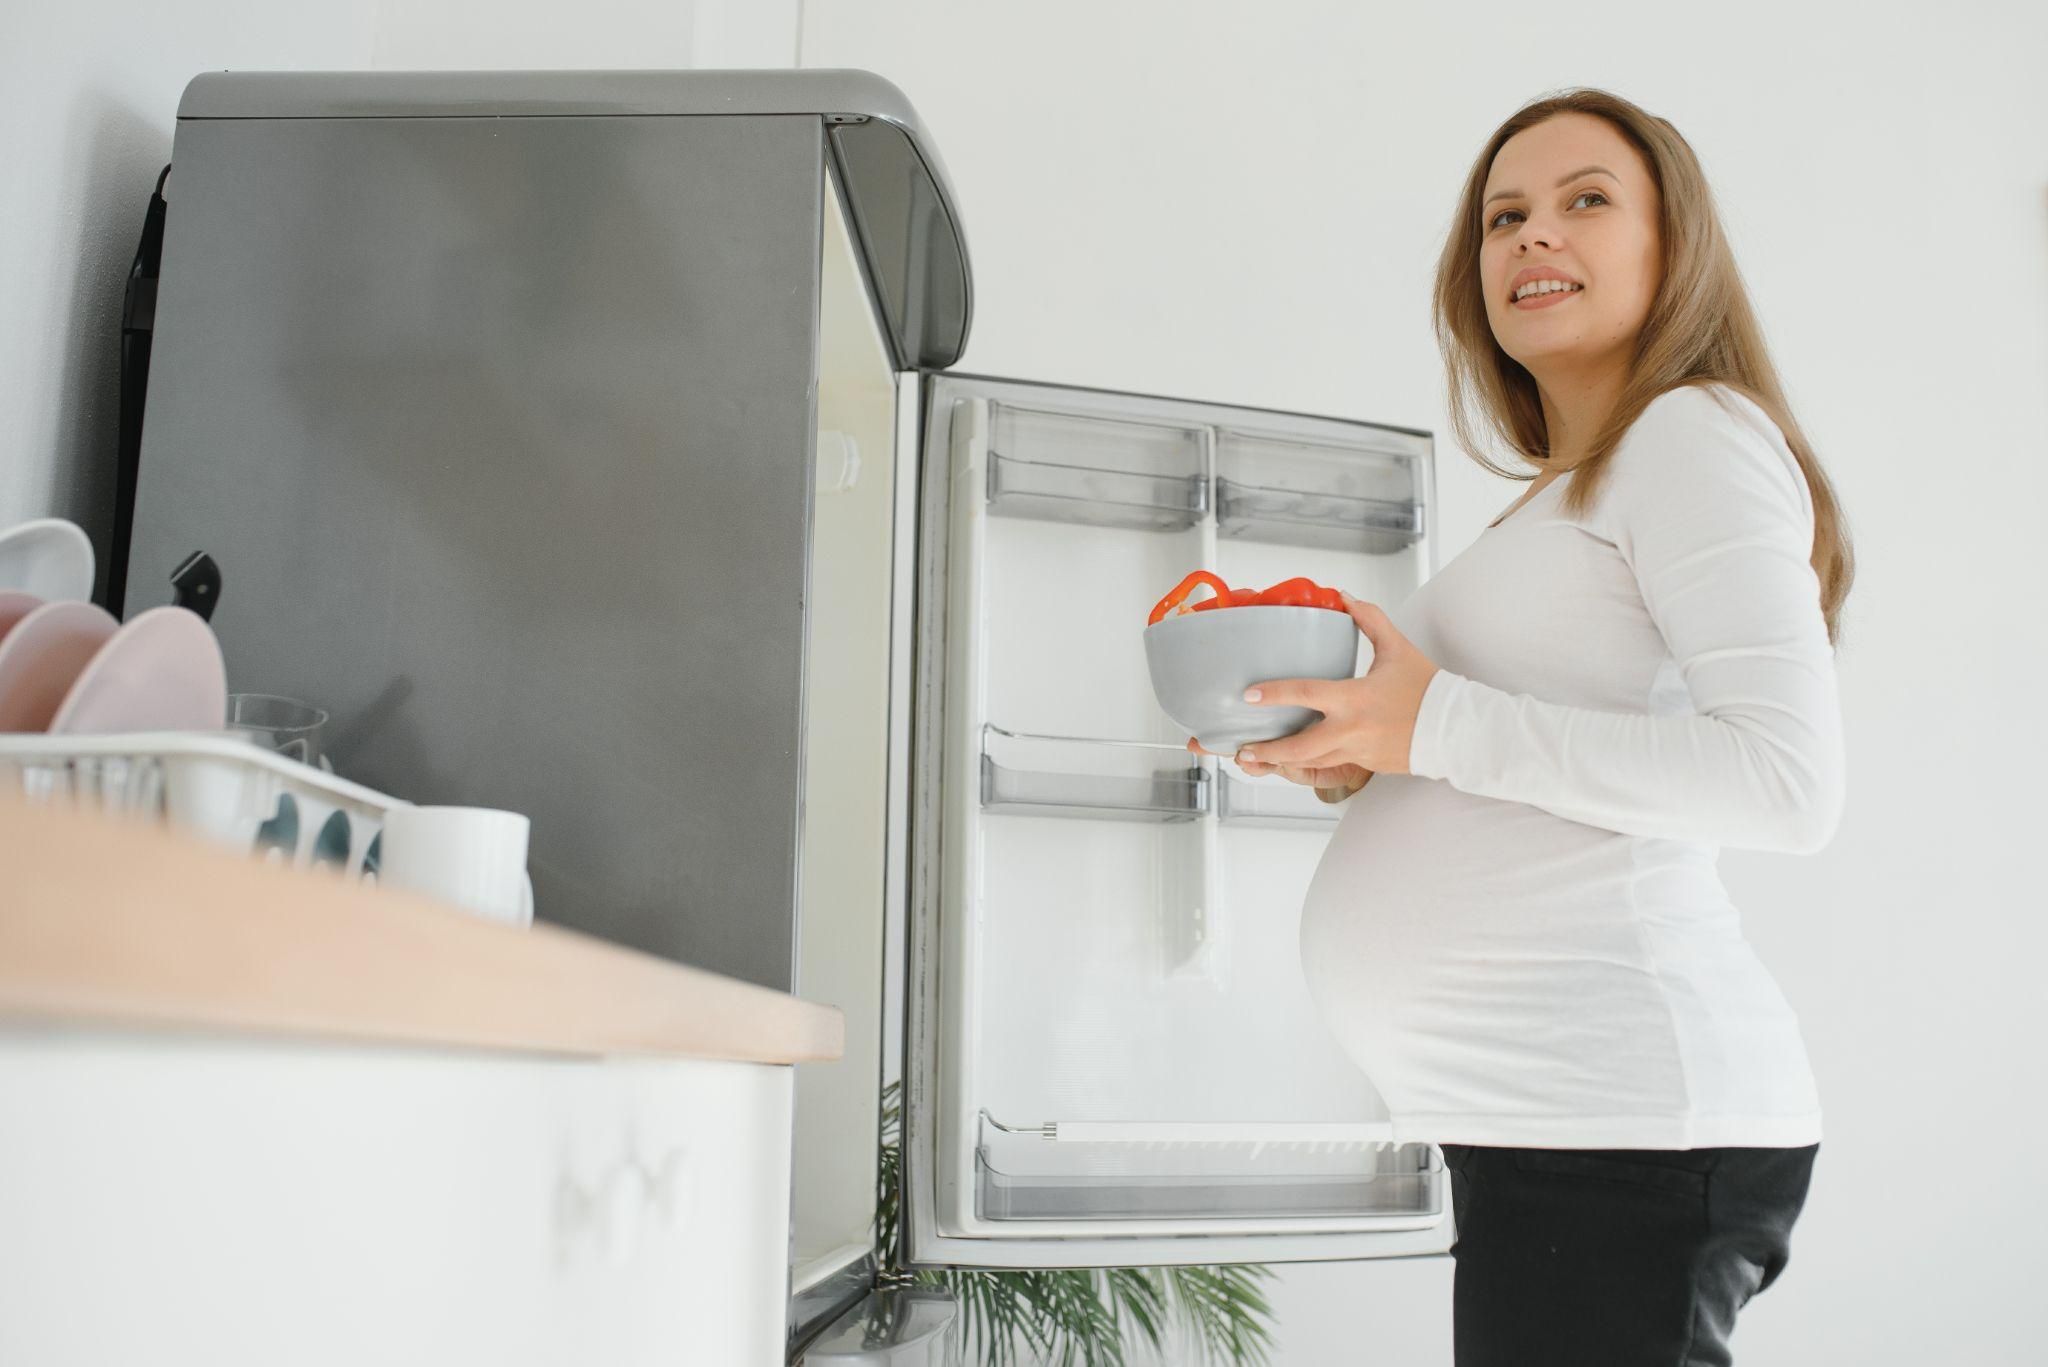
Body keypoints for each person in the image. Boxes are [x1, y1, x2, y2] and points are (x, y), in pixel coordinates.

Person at [1190, 88, 1853, 1366]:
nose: (1530, 238)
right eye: (1502, 217)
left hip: (1623, 1132)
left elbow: (1784, 783)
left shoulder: (1692, 435)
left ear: (1676, 250)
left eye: (1583, 202)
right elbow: (1503, 745)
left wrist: (1430, 726)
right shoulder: (1566, 495)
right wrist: (1359, 757)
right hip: (1553, 1136)